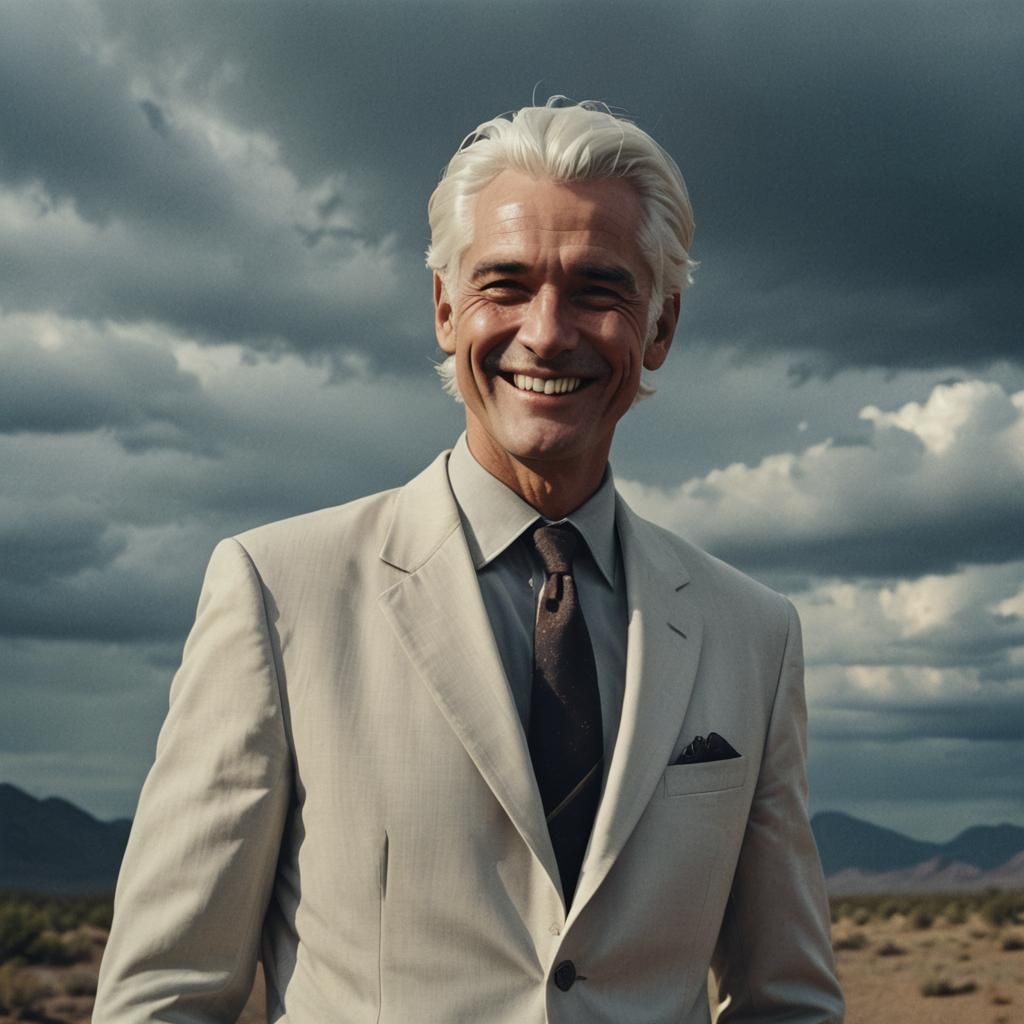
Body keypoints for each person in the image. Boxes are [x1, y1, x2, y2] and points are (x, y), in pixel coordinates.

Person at [94, 99, 844, 1023]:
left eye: (599, 290)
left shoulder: (753, 635)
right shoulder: (280, 593)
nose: (547, 330)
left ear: (659, 329)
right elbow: (164, 998)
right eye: (507, 284)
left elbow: (788, 999)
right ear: (446, 309)